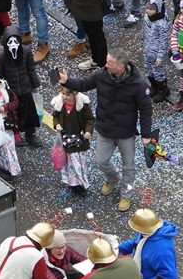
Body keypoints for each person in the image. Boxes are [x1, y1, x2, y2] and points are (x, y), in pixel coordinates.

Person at [58, 51, 153, 212]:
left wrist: (146, 135)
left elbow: (146, 110)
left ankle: (126, 195)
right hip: (105, 128)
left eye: (109, 63)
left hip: (126, 132)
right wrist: (67, 81)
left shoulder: (138, 85)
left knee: (129, 167)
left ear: (120, 66)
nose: (105, 65)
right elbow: (83, 85)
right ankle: (113, 178)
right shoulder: (101, 75)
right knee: (101, 161)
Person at [0, 25, 41, 147]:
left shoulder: (25, 52)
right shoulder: (0, 56)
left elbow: (31, 69)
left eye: (15, 41)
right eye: (10, 41)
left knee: (29, 113)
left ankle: (31, 134)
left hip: (25, 89)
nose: (13, 44)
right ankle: (15, 133)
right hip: (11, 92)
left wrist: (35, 85)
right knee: (13, 115)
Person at [51, 84, 94, 195]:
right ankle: (75, 183)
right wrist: (57, 124)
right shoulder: (59, 104)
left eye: (68, 94)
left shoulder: (82, 105)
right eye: (63, 94)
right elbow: (55, 116)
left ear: (75, 94)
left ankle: (77, 183)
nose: (65, 97)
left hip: (78, 139)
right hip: (65, 139)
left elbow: (90, 119)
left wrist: (88, 131)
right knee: (70, 162)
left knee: (77, 162)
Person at [142, 0, 170, 102]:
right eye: (147, 8)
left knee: (158, 72)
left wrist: (159, 57)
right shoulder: (147, 18)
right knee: (149, 70)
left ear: (158, 8)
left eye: (150, 9)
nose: (147, 11)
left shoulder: (161, 24)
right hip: (147, 50)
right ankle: (154, 87)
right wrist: (142, 44)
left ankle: (162, 90)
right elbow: (144, 32)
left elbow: (163, 42)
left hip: (156, 53)